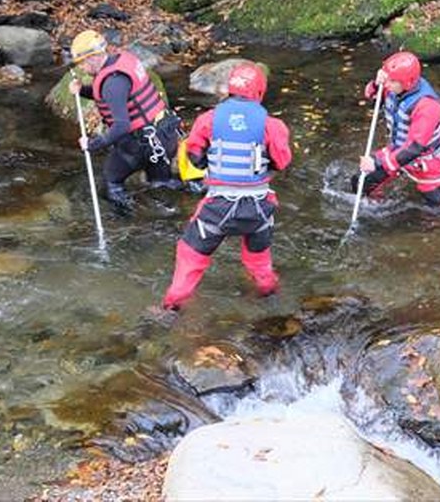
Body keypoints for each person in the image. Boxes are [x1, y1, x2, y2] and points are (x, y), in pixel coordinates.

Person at [161, 62, 291, 310]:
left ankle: (171, 307)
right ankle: (270, 297)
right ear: (260, 91)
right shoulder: (273, 126)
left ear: (229, 89)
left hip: (218, 208)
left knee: (190, 257)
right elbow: (281, 162)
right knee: (259, 262)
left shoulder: (207, 120)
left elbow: (195, 157)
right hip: (259, 209)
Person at [68, 30, 181, 214]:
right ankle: (174, 212)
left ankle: (128, 221)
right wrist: (82, 90)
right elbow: (119, 96)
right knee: (161, 185)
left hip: (140, 145)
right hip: (164, 137)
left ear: (93, 58)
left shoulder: (112, 82)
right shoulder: (121, 64)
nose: (81, 68)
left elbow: (122, 125)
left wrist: (93, 144)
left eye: (81, 63)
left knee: (110, 182)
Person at [353, 51, 440, 207]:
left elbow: (414, 148)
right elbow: (371, 96)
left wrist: (381, 163)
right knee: (361, 182)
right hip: (397, 149)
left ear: (407, 82)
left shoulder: (427, 106)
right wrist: (377, 83)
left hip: (424, 161)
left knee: (436, 204)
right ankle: (376, 205)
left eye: (391, 81)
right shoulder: (392, 87)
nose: (387, 84)